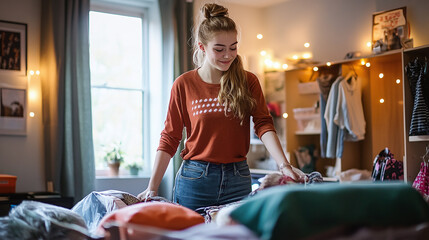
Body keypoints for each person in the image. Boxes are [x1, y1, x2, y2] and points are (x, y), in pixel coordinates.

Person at [137, 3, 302, 210]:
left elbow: (263, 124)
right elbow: (170, 137)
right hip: (195, 180)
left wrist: (284, 165)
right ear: (202, 47)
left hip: (239, 177)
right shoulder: (184, 84)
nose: (228, 55)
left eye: (233, 47)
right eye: (219, 49)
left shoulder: (248, 81)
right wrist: (152, 187)